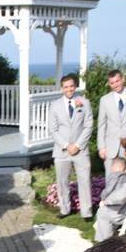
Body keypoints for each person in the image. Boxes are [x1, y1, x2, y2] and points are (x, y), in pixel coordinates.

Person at [48, 74, 94, 218]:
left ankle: (86, 212)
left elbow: (89, 126)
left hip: (81, 150)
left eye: (71, 86)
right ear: (62, 88)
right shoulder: (55, 105)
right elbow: (53, 130)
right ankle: (65, 209)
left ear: (75, 86)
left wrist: (78, 145)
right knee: (62, 182)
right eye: (66, 87)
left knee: (84, 180)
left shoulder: (84, 103)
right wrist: (67, 145)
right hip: (62, 151)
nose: (69, 89)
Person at [97, 69, 126, 177]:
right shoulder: (104, 100)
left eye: (117, 81)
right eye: (112, 83)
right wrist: (101, 147)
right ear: (109, 84)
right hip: (110, 147)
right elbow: (101, 125)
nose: (115, 85)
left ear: (123, 79)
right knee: (110, 179)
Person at [93, 157, 126, 241]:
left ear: (113, 167)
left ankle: (105, 241)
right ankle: (105, 237)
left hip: (118, 212)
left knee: (101, 213)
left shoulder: (115, 176)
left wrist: (103, 198)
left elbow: (108, 191)